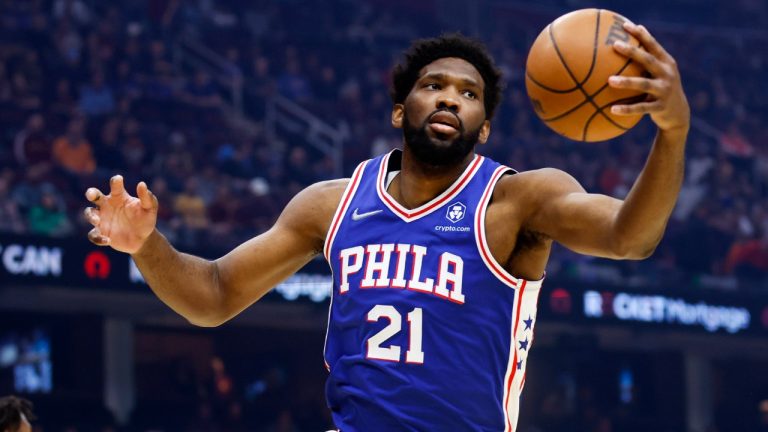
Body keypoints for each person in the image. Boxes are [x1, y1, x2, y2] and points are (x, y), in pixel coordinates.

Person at [84, 24, 689, 431]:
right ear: (402, 110)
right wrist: (146, 246)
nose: (449, 98)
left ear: (483, 128)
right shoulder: (331, 205)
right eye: (433, 86)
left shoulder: (519, 200)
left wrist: (672, 131)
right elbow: (214, 295)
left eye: (469, 94)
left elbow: (630, 237)